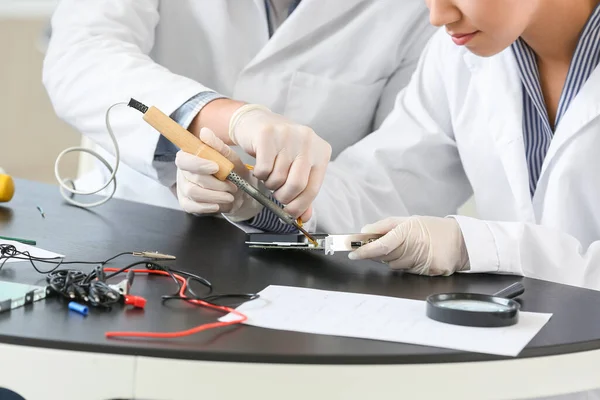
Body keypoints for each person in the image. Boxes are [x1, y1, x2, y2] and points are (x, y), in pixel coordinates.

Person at [181, 0, 600, 297]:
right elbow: (385, 183)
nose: (438, 15)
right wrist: (257, 195)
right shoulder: (458, 57)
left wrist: (471, 245)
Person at [42, 0, 435, 232]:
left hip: (300, 262)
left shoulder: (419, 11)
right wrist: (227, 118)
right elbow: (82, 55)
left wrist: (265, 204)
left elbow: (396, 176)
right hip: (128, 223)